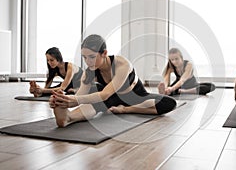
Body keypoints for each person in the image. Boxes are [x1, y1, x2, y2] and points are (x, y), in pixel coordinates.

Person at [49, 34, 177, 127]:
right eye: (85, 58)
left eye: (92, 57)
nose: (88, 62)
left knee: (169, 103)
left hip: (136, 97)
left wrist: (75, 100)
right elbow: (80, 96)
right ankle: (69, 117)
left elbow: (104, 94)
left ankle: (126, 109)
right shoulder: (89, 72)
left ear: (104, 53)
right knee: (97, 95)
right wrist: (64, 100)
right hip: (111, 99)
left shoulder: (122, 64)